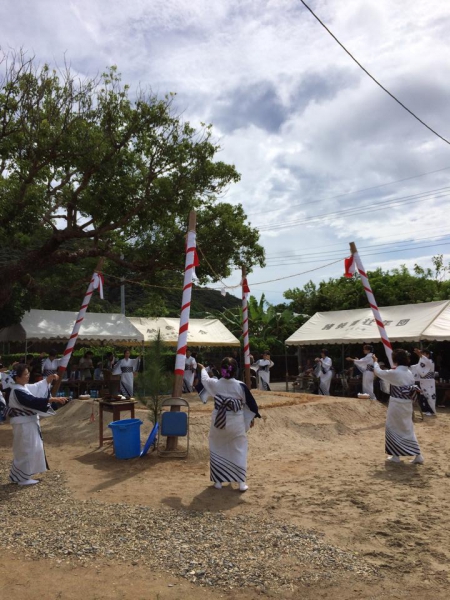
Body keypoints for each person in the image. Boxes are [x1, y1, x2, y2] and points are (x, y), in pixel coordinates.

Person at [197, 357, 260, 492]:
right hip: (235, 422)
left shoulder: (216, 384)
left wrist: (203, 369)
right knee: (238, 449)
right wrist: (250, 419)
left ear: (221, 370)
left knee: (217, 447)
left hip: (218, 421)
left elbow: (204, 380)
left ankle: (218, 481)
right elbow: (250, 406)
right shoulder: (240, 386)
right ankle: (241, 482)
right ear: (235, 370)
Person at [6, 364, 68, 485]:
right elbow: (32, 401)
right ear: (17, 378)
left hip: (27, 422)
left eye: (28, 373)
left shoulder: (22, 387)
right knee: (26, 448)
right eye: (25, 374)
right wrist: (52, 399)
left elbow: (36, 387)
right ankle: (23, 478)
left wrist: (47, 380)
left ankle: (17, 476)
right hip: (23, 423)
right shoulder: (18, 390)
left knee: (28, 448)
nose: (28, 376)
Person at [373, 349, 424, 464]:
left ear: (396, 360)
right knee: (407, 428)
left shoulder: (395, 372)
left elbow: (378, 372)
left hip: (396, 403)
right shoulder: (409, 372)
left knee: (392, 427)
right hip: (407, 404)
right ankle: (418, 455)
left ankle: (396, 455)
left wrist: (375, 362)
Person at [413, 347, 436, 416]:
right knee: (423, 395)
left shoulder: (430, 362)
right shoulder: (423, 361)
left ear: (428, 355)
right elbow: (419, 366)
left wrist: (419, 354)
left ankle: (431, 410)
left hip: (429, 381)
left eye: (424, 354)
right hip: (423, 380)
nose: (422, 356)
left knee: (429, 395)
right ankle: (425, 409)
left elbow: (425, 360)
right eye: (422, 354)